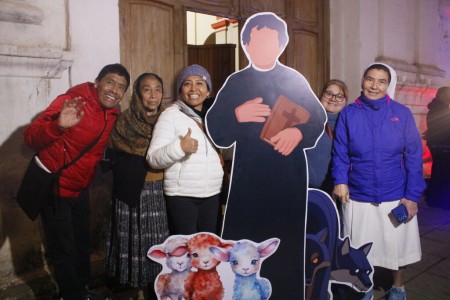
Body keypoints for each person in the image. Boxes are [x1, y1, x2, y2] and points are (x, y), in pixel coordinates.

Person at [205, 12, 326, 299]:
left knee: (286, 249)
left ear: (281, 46)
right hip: (248, 184)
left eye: (271, 42)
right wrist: (236, 115)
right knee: (243, 247)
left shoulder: (294, 80)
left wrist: (298, 133)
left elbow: (317, 118)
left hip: (289, 182)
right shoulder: (236, 83)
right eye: (256, 42)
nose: (263, 48)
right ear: (246, 45)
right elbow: (217, 129)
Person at [24, 64, 130, 300]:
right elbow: (31, 136)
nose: (114, 90)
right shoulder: (73, 100)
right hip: (56, 185)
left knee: (82, 246)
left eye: (121, 87)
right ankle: (73, 295)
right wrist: (58, 125)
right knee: (62, 249)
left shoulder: (114, 113)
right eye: (110, 82)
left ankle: (80, 291)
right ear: (97, 82)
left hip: (80, 188)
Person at [332, 63, 425, 300]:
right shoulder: (349, 114)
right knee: (360, 248)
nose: (374, 86)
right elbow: (340, 152)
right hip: (359, 193)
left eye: (381, 81)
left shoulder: (401, 113)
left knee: (398, 247)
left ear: (388, 85)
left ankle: (398, 287)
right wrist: (340, 180)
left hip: (395, 193)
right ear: (362, 80)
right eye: (370, 79)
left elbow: (414, 155)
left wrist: (412, 195)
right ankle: (364, 288)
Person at [105, 73, 169, 300]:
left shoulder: (168, 120)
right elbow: (112, 155)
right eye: (147, 89)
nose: (153, 95)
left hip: (160, 190)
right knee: (134, 241)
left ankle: (157, 287)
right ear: (138, 94)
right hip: (130, 190)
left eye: (158, 89)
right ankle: (137, 288)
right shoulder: (124, 121)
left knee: (157, 241)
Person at [146, 64, 223, 235]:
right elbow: (153, 158)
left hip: (212, 194)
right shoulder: (170, 116)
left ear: (208, 91)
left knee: (209, 250)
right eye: (187, 83)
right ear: (180, 90)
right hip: (182, 196)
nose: (193, 88)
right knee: (187, 253)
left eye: (200, 83)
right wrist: (180, 148)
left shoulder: (214, 118)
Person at [307, 79, 349, 194]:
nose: (333, 99)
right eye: (329, 94)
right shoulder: (307, 120)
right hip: (308, 189)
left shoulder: (349, 126)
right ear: (321, 96)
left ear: (345, 101)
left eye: (340, 96)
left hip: (340, 190)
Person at [424, 86, 450, 210]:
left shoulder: (436, 108)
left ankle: (435, 198)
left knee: (438, 171)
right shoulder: (441, 110)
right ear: (442, 96)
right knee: (442, 172)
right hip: (443, 145)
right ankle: (439, 200)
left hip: (437, 144)